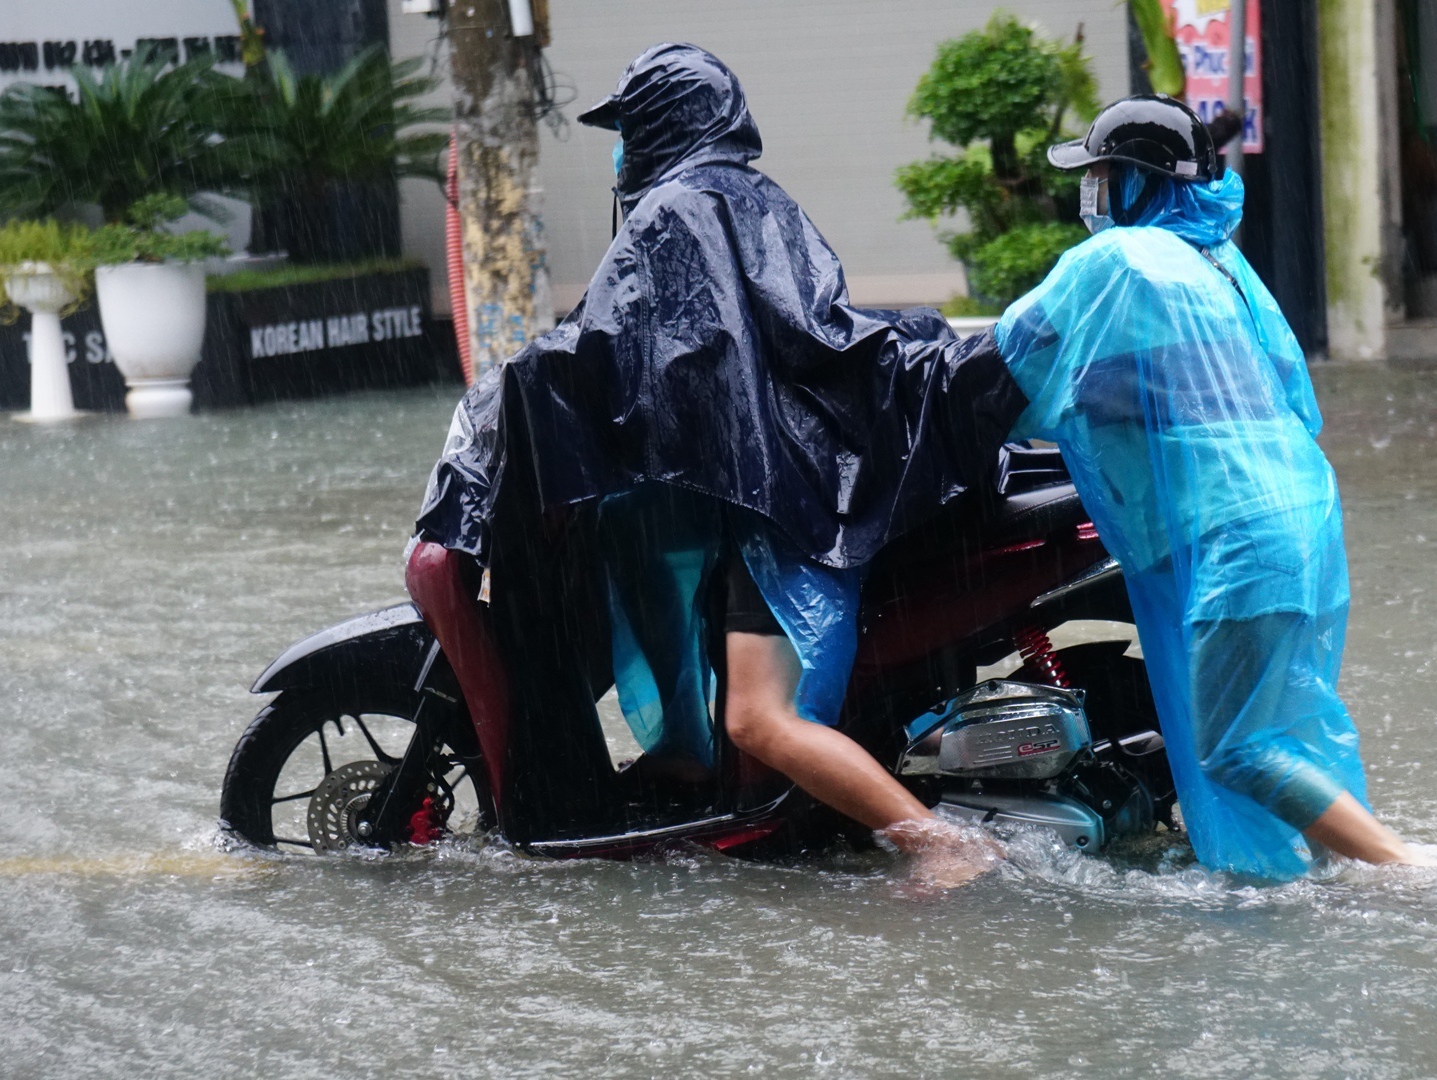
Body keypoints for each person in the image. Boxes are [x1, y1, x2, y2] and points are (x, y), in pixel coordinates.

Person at [416, 44, 1014, 884]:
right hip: (810, 468)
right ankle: (681, 754)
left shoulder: (674, 210)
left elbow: (600, 343)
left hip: (787, 496)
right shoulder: (751, 197)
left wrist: (504, 398)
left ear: (661, 123)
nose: (618, 149)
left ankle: (938, 845)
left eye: (626, 127)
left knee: (757, 720)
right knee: (634, 531)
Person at [994, 96, 1428, 879]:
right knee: (1286, 732)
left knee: (1239, 747)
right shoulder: (1219, 266)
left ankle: (1412, 873)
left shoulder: (1119, 260)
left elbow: (1003, 359)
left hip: (1239, 538)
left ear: (1133, 182)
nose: (1087, 189)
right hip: (1304, 520)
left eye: (1097, 173)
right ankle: (1339, 876)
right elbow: (1286, 396)